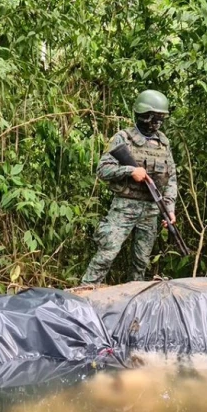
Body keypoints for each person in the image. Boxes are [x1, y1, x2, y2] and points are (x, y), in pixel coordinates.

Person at [81, 90, 177, 286]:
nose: (157, 122)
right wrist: (129, 171)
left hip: (151, 209)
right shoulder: (123, 138)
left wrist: (169, 209)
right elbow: (103, 169)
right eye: (154, 117)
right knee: (107, 253)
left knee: (141, 262)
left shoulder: (163, 143)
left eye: (161, 118)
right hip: (124, 207)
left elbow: (171, 178)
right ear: (142, 115)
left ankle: (135, 301)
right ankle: (84, 294)